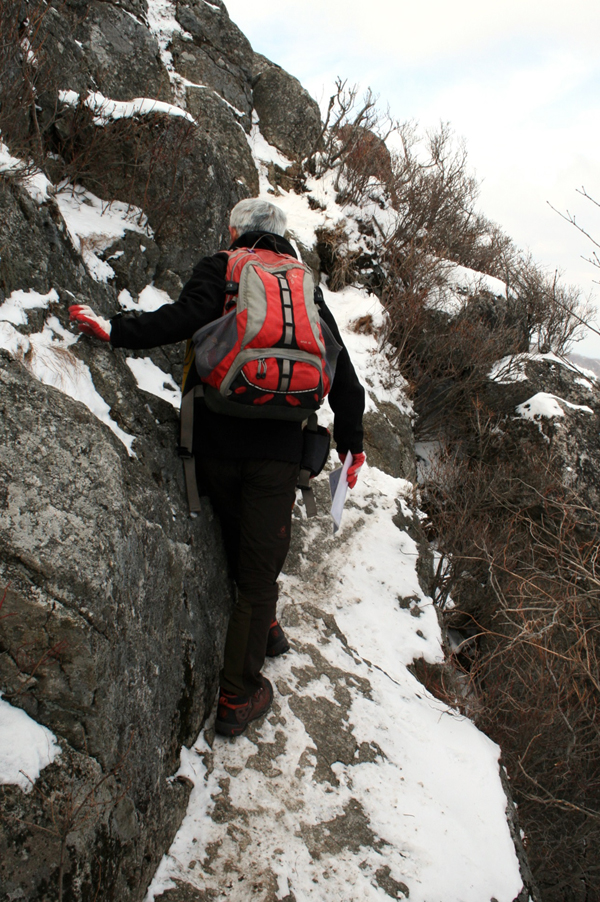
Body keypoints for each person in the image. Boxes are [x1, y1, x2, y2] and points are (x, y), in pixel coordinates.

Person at [69, 198, 366, 737]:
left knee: (239, 538)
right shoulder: (304, 284)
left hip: (213, 438)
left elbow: (182, 318)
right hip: (279, 450)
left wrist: (115, 330)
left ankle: (264, 627)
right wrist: (353, 443)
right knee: (259, 571)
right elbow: (340, 368)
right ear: (282, 236)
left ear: (234, 231)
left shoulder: (222, 266)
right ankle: (238, 696)